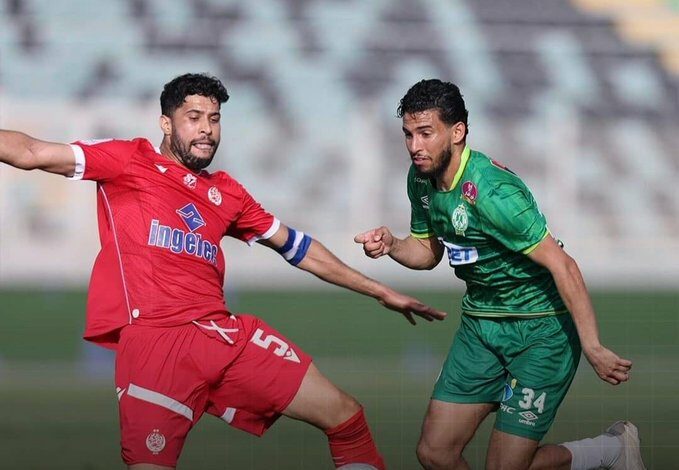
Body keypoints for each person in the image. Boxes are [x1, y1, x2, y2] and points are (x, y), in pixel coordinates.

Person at [0, 73, 448, 470]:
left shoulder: (227, 193)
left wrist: (378, 290)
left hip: (224, 337)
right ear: (165, 122)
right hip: (156, 346)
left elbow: (298, 248)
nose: (206, 130)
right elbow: (31, 151)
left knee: (346, 417)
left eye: (214, 119)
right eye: (193, 117)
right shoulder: (127, 162)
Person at [354, 79, 646, 470]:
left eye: (426, 133)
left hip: (541, 332)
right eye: (408, 134)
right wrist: (391, 244)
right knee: (435, 453)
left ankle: (609, 451)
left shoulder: (494, 193)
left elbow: (564, 265)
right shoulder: (421, 179)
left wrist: (592, 346)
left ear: (457, 132)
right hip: (481, 328)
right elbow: (427, 253)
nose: (414, 146)